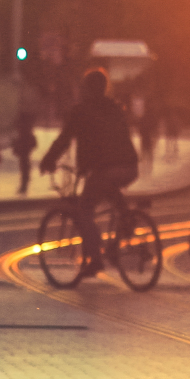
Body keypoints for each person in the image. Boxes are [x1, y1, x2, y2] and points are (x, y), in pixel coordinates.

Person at [40, 67, 140, 274]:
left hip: (106, 169)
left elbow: (64, 140)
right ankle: (126, 226)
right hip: (130, 166)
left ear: (86, 89)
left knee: (84, 210)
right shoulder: (115, 108)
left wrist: (48, 161)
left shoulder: (80, 111)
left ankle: (96, 259)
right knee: (111, 191)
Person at [11, 113, 38, 195]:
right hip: (25, 153)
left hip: (24, 153)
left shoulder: (24, 133)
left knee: (24, 170)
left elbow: (33, 143)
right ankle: (24, 186)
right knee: (25, 170)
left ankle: (24, 186)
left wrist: (16, 147)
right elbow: (34, 144)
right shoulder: (26, 132)